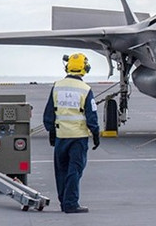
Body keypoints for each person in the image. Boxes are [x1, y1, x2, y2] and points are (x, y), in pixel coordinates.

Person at [43, 53, 100, 213]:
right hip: (78, 138)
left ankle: (64, 202)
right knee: (74, 170)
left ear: (67, 67)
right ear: (85, 68)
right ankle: (71, 204)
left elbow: (49, 115)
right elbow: (91, 116)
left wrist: (52, 133)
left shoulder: (57, 86)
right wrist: (96, 135)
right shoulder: (86, 90)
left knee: (61, 171)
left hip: (61, 138)